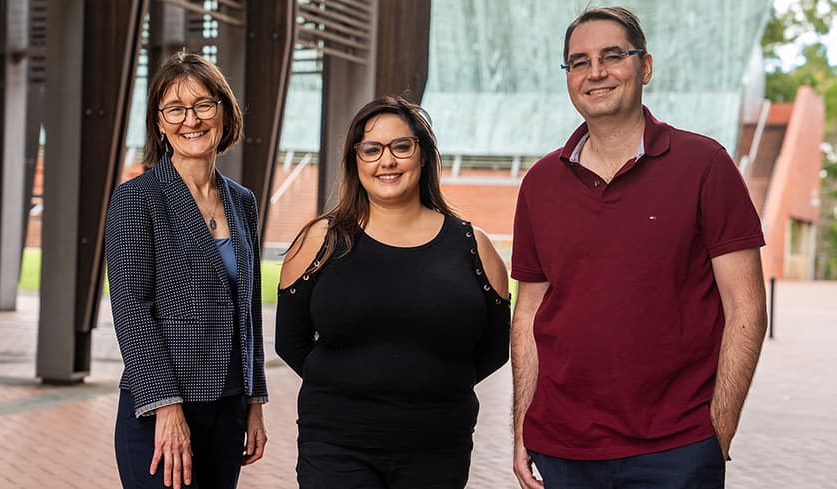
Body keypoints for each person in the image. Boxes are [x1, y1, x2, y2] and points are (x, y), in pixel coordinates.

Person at [510, 7, 767, 489]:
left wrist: (718, 432)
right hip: (564, 450)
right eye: (579, 62)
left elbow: (747, 306)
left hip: (677, 450)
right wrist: (523, 427)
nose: (596, 73)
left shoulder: (705, 164)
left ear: (644, 67)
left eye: (613, 56)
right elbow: (528, 314)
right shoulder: (540, 183)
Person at [275, 95, 511, 489]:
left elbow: (494, 348)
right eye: (371, 149)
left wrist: (433, 385)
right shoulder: (320, 241)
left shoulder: (474, 246)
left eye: (401, 146)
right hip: (336, 447)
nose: (387, 161)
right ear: (356, 160)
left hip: (439, 448)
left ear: (422, 155)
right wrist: (353, 386)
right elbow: (290, 342)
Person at [105, 52, 268, 489]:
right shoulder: (137, 199)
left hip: (229, 409)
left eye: (202, 105)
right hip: (161, 413)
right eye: (175, 109)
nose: (190, 120)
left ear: (223, 112)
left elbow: (248, 310)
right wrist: (167, 406)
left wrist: (255, 401)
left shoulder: (243, 202)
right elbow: (131, 309)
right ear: (160, 123)